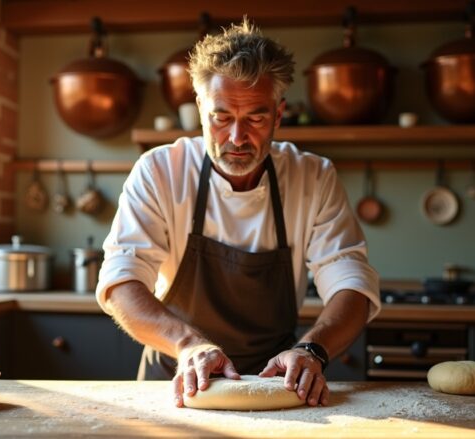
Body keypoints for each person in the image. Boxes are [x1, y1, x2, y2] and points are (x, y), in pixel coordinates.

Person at [96, 19, 380, 408]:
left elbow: (351, 282)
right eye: (222, 117)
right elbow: (121, 280)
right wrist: (188, 344)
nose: (236, 138)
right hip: (179, 383)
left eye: (256, 119)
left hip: (279, 383)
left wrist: (312, 350)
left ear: (279, 115)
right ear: (199, 109)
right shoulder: (160, 171)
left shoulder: (313, 177)